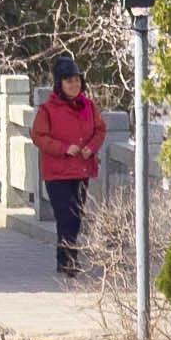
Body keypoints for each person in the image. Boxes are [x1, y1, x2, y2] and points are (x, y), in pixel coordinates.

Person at [32, 54, 108, 276]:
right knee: (65, 214)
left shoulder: (88, 106)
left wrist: (91, 148)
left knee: (76, 216)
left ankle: (67, 258)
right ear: (60, 84)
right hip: (57, 173)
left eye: (77, 80)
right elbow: (38, 136)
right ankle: (68, 259)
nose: (74, 85)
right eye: (69, 81)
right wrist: (63, 148)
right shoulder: (47, 110)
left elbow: (100, 130)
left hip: (81, 169)